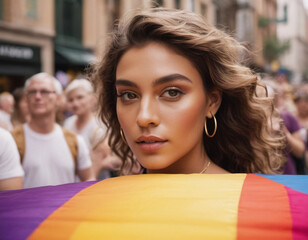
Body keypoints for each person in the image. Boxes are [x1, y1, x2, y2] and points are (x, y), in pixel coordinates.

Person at [91, 8, 284, 174]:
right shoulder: (101, 208)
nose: (144, 117)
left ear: (212, 102)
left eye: (172, 92)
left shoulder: (251, 207)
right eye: (129, 95)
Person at [11, 72, 95, 188]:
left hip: (65, 206)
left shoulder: (74, 141)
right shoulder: (12, 140)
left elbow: (89, 179)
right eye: (32, 92)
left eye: (44, 91)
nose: (38, 97)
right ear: (26, 99)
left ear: (58, 99)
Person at [64, 79, 121, 178]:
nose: (75, 103)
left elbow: (105, 158)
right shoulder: (68, 123)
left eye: (80, 97)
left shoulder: (100, 125)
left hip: (96, 181)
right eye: (71, 100)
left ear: (92, 99)